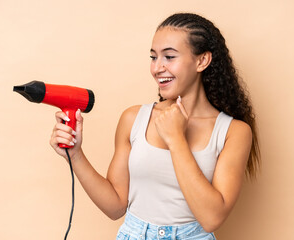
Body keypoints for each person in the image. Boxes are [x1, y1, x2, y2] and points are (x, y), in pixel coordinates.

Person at [50, 12, 260, 240]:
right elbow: (115, 207)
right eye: (153, 57)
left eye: (169, 57)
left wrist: (176, 139)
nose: (157, 68)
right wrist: (76, 154)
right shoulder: (134, 118)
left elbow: (211, 218)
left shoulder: (233, 132)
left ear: (202, 61)